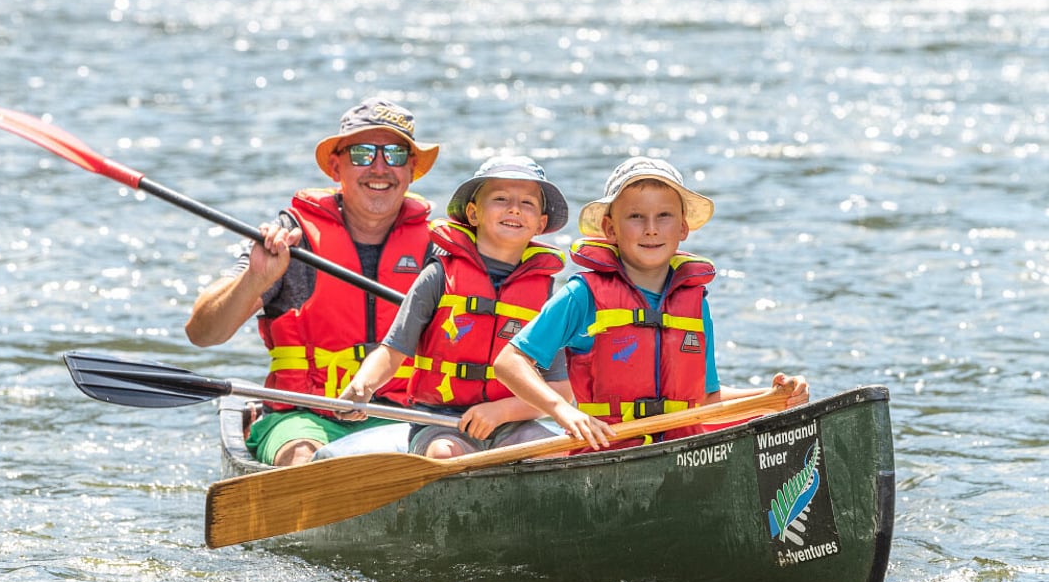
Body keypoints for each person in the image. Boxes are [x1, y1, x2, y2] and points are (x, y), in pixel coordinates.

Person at [184, 97, 440, 466]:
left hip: (407, 417)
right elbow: (203, 334)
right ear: (336, 167)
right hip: (304, 416)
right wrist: (255, 279)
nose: (380, 167)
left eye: (395, 154)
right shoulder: (291, 239)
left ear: (411, 168)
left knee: (443, 452)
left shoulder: (439, 249)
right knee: (304, 456)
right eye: (363, 154)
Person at [494, 156, 809, 452]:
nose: (651, 228)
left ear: (683, 228)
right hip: (606, 452)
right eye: (635, 217)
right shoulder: (583, 295)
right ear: (611, 229)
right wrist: (562, 410)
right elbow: (509, 362)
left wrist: (773, 398)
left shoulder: (694, 301)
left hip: (680, 450)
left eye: (664, 216)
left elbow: (705, 400)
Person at [335, 156, 574, 459]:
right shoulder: (438, 277)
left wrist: (501, 411)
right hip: (440, 422)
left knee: (554, 453)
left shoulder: (546, 296)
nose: (514, 209)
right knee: (444, 454)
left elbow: (561, 390)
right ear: (473, 213)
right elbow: (392, 351)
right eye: (501, 199)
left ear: (540, 223)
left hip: (512, 422)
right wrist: (363, 385)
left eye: (527, 203)